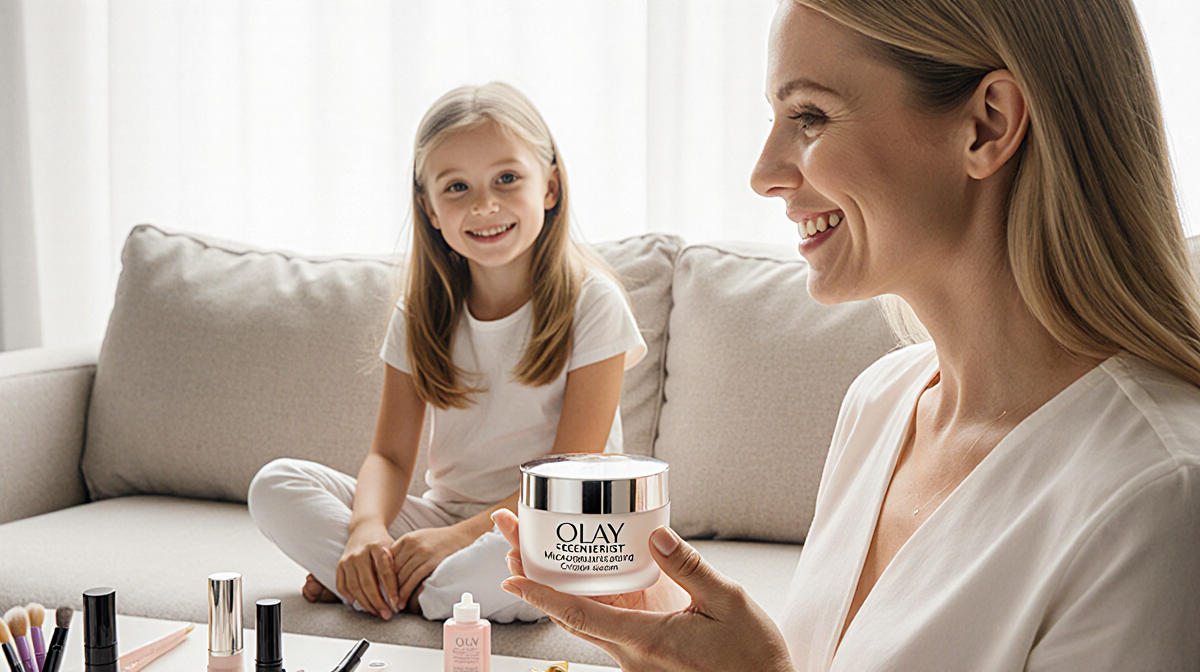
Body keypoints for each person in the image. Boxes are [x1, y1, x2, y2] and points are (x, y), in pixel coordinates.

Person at [491, 0, 1200, 668]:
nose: (764, 173)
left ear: (986, 126)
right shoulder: (881, 404)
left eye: (809, 116)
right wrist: (674, 635)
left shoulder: (1157, 496)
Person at [248, 82, 646, 624]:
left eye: (507, 179)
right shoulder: (421, 314)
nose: (484, 204)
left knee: (486, 571)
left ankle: (380, 587)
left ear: (549, 186)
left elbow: (568, 474)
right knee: (274, 485)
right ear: (429, 209)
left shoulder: (591, 303)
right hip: (447, 515)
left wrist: (452, 543)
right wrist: (367, 529)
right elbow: (388, 457)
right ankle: (387, 576)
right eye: (456, 187)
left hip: (559, 522)